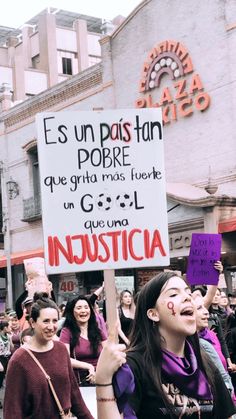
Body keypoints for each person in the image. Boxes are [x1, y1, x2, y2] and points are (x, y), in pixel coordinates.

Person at [95, 272, 236, 419]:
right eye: (174, 294)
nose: (187, 297)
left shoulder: (204, 362)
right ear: (153, 314)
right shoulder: (134, 366)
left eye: (188, 293)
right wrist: (103, 381)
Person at [4, 293, 94, 419]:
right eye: (46, 321)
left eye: (55, 321)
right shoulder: (19, 360)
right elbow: (13, 410)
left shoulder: (61, 349)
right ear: (33, 322)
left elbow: (75, 396)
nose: (51, 327)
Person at [60, 295, 107, 386]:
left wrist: (99, 372)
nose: (83, 311)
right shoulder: (67, 331)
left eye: (86, 307)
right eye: (79, 308)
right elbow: (64, 358)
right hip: (79, 381)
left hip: (101, 377)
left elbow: (108, 353)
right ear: (72, 311)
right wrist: (89, 367)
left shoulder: (98, 331)